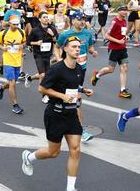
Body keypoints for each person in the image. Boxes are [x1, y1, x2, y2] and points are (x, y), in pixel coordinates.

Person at [21, 36, 93, 191]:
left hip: (71, 114)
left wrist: (83, 90)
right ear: (65, 49)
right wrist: (62, 96)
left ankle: (70, 188)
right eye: (73, 47)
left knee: (75, 149)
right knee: (53, 152)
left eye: (78, 47)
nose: (76, 49)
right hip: (55, 114)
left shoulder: (79, 69)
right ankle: (29, 157)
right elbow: (42, 88)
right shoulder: (56, 69)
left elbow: (73, 85)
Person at [55, 11, 98, 142]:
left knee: (75, 98)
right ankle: (79, 129)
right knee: (75, 99)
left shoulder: (88, 33)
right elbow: (57, 47)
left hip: (81, 69)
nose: (82, 22)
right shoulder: (65, 34)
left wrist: (93, 52)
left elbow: (89, 47)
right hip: (66, 69)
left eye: (84, 19)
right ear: (73, 21)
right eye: (80, 19)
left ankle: (70, 123)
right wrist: (58, 59)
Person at [91, 5, 132, 98]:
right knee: (111, 69)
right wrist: (118, 41)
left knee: (124, 68)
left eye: (126, 10)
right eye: (124, 10)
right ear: (119, 11)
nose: (126, 12)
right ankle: (97, 75)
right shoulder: (115, 22)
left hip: (123, 48)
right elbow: (106, 36)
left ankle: (122, 90)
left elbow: (122, 33)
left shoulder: (124, 21)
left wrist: (126, 36)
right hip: (114, 49)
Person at [0, 15, 26, 114]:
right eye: (14, 24)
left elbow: (24, 42)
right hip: (8, 60)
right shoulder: (4, 33)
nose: (16, 26)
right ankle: (15, 105)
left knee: (11, 83)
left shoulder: (21, 32)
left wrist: (22, 46)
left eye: (17, 24)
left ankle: (1, 88)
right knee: (12, 83)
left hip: (17, 61)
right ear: (9, 23)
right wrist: (2, 48)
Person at [25, 11, 58, 91]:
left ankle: (30, 78)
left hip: (48, 55)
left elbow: (56, 41)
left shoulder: (52, 29)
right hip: (38, 55)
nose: (46, 19)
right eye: (44, 17)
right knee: (42, 75)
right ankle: (43, 94)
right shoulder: (35, 30)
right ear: (39, 19)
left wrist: (52, 35)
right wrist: (36, 43)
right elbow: (28, 42)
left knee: (45, 74)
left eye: (47, 17)